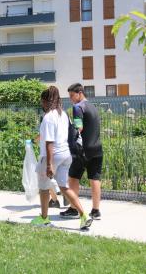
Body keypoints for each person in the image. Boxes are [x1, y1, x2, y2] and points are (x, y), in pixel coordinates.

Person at [31, 86, 93, 230]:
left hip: (52, 156)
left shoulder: (48, 117)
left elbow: (49, 142)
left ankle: (44, 219)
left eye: (42, 101)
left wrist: (49, 165)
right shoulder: (63, 114)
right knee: (64, 186)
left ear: (46, 101)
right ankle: (84, 215)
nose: (41, 104)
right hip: (66, 155)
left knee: (44, 188)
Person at [61, 83, 103, 220]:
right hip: (97, 149)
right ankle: (96, 211)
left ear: (80, 93)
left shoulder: (78, 107)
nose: (71, 99)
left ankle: (73, 209)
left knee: (73, 178)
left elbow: (79, 127)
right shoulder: (92, 107)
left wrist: (70, 132)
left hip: (83, 150)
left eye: (72, 95)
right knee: (94, 178)